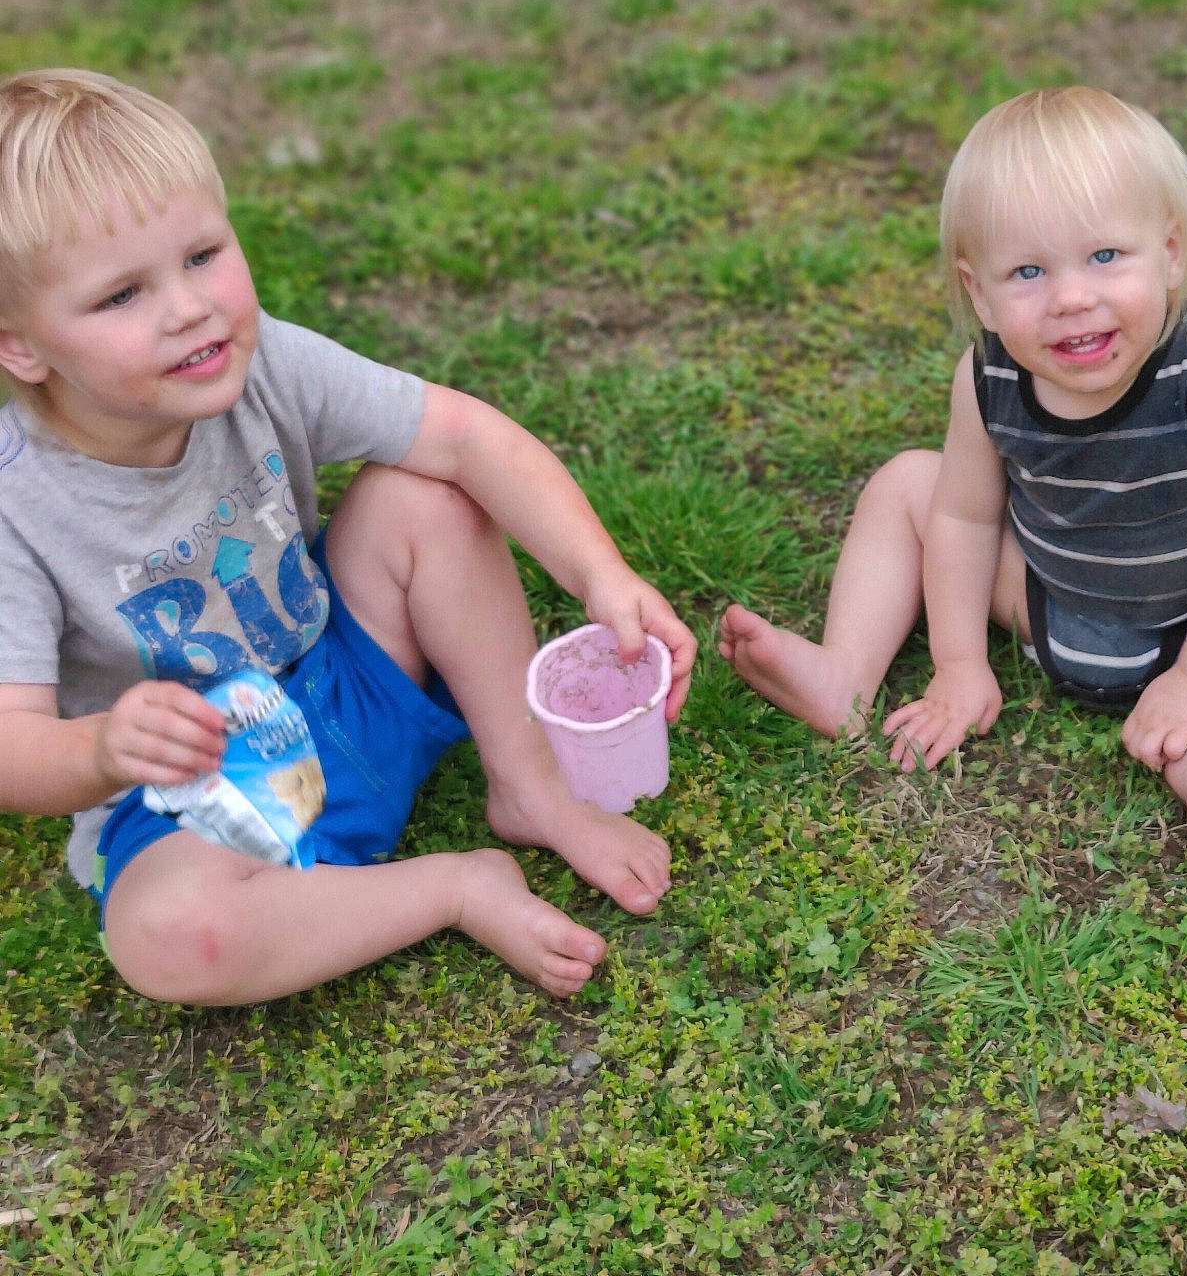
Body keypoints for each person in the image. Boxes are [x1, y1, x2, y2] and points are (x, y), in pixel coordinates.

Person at [0, 69, 696, 1005]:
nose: (188, 307)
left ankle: (530, 783)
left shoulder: (264, 364)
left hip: (349, 677)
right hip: (204, 797)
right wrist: (101, 752)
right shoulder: (17, 508)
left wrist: (600, 573)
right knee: (164, 937)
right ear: (22, 346)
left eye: (203, 253)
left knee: (428, 495)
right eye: (121, 295)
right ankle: (450, 887)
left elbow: (464, 435)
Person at [720, 86, 1187, 860]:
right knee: (909, 484)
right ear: (978, 294)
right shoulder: (987, 377)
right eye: (1027, 272)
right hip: (1048, 603)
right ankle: (844, 677)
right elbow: (965, 519)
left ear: (1173, 254)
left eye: (1106, 257)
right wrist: (958, 664)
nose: (1072, 298)